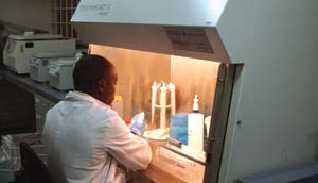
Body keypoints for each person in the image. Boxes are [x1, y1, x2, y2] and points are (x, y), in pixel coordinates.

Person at [42, 54, 152, 183]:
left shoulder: (54, 111)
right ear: (102, 85)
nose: (115, 90)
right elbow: (142, 159)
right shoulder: (105, 119)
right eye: (114, 83)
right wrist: (134, 133)